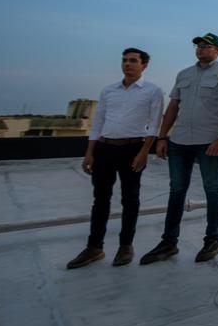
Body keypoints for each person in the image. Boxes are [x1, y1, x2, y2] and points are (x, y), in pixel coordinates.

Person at [140, 33, 218, 265]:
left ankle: (212, 240)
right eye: (198, 46)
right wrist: (162, 137)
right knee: (177, 190)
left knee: (212, 188)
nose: (200, 49)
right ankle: (169, 242)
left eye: (206, 46)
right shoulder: (184, 74)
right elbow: (173, 106)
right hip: (180, 140)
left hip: (208, 141)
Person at [67, 48, 164, 269]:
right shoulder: (109, 91)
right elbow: (98, 122)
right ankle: (94, 247)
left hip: (133, 148)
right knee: (100, 199)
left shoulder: (152, 91)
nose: (127, 64)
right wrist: (90, 152)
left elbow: (154, 126)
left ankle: (125, 246)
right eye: (124, 60)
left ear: (144, 65)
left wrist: (143, 153)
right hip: (104, 148)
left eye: (133, 61)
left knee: (130, 199)